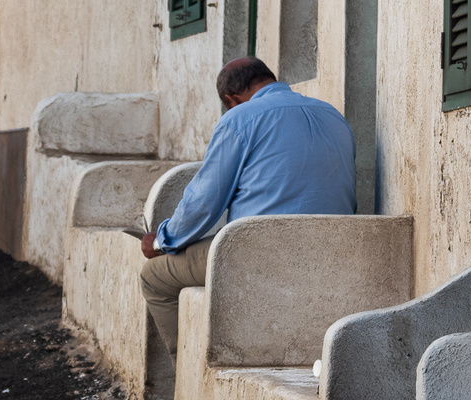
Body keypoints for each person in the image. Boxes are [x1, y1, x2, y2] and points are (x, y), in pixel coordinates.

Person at [139, 57, 356, 355]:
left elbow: (203, 204)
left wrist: (163, 240)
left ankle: (181, 384)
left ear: (232, 99)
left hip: (261, 251)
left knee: (153, 277)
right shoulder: (332, 114)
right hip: (337, 247)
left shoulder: (239, 119)